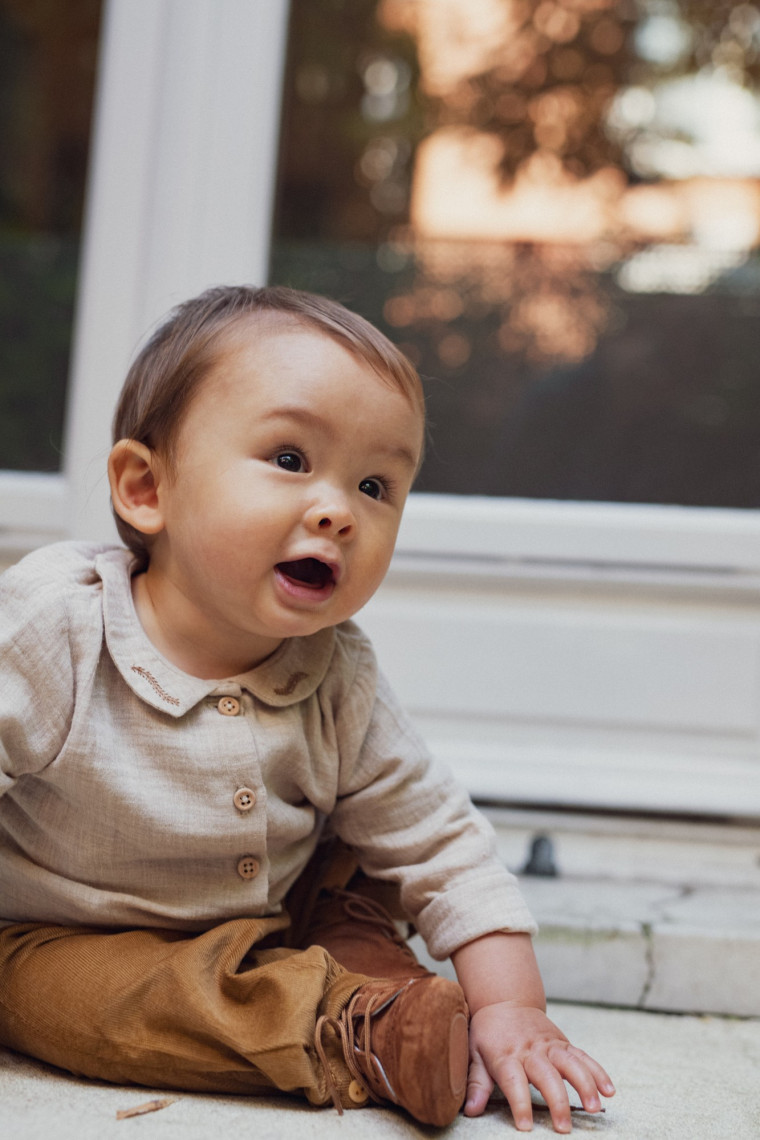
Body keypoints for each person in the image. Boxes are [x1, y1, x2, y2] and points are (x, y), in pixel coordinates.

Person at [0, 285, 614, 1132]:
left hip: (288, 907)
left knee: (363, 866)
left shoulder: (337, 668)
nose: (338, 511)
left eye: (375, 485)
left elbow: (438, 837)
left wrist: (513, 1006)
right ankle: (346, 1030)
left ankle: (408, 1008)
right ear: (147, 488)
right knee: (71, 1004)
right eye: (290, 460)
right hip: (72, 931)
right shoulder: (57, 625)